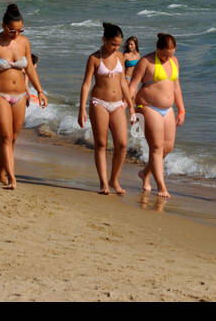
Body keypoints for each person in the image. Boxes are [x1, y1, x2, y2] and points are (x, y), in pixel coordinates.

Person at [0, 4, 47, 189]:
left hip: (20, 96)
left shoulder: (24, 42)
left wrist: (39, 91)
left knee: (13, 138)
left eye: (20, 30)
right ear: (3, 25)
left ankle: (0, 173)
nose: (16, 33)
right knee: (6, 138)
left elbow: (30, 68)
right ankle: (12, 178)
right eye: (12, 30)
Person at [77, 22, 133, 195]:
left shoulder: (120, 57)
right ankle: (103, 183)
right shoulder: (94, 58)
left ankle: (114, 180)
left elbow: (123, 81)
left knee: (122, 144)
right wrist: (82, 109)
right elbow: (86, 84)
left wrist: (130, 105)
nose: (115, 47)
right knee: (101, 144)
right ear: (104, 39)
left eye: (118, 44)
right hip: (98, 103)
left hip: (117, 105)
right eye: (112, 44)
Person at [129, 33, 185, 199]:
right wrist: (130, 108)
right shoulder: (145, 62)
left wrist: (181, 109)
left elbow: (176, 87)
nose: (168, 57)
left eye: (171, 53)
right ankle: (161, 185)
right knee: (157, 147)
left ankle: (145, 173)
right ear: (157, 48)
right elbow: (132, 86)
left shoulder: (174, 61)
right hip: (147, 106)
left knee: (168, 147)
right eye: (165, 54)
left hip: (167, 109)